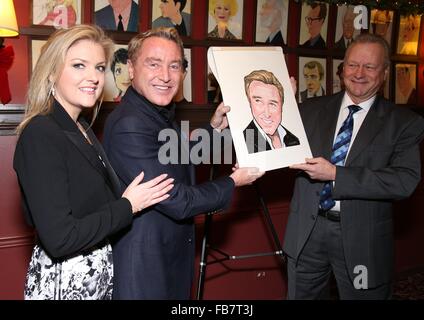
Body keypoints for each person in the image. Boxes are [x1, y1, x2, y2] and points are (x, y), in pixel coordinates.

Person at [13, 25, 174, 300]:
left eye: (100, 68)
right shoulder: (41, 132)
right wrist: (129, 205)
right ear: (51, 72)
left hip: (94, 279)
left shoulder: (83, 128)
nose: (94, 77)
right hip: (64, 286)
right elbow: (61, 238)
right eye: (79, 65)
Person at [102, 27, 264, 299]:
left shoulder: (155, 112)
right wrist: (233, 182)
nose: (165, 76)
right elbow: (178, 201)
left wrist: (214, 128)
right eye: (154, 64)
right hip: (145, 269)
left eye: (174, 66)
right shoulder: (130, 124)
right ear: (130, 69)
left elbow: (178, 154)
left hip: (167, 259)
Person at [284, 33, 424, 299]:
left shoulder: (404, 123)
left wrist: (336, 174)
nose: (359, 73)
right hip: (306, 234)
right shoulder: (309, 110)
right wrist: (282, 107)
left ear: (383, 73)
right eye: (352, 65)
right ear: (342, 68)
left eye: (369, 67)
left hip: (363, 241)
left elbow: (404, 181)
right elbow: (272, 146)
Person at [242, 70, 299, 154]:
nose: (267, 114)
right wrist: (217, 128)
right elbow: (218, 158)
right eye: (258, 101)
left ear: (282, 105)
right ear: (250, 103)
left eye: (272, 104)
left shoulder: (294, 139)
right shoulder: (243, 138)